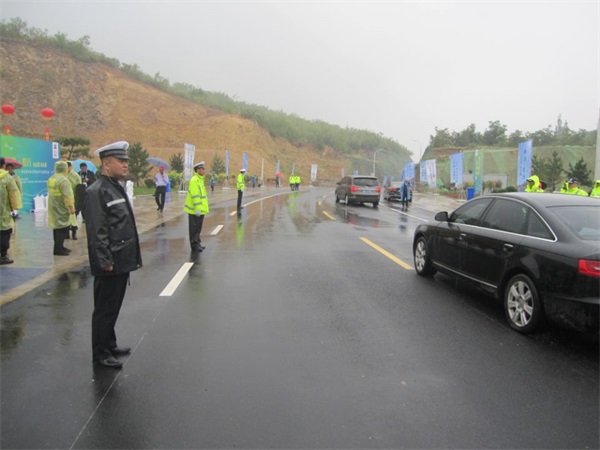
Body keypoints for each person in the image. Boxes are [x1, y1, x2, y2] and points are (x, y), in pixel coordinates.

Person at [84, 141, 142, 369]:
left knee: (113, 306)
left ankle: (109, 344)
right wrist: (104, 260)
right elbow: (96, 231)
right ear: (107, 164)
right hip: (110, 261)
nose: (126, 164)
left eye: (126, 161)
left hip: (121, 258)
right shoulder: (97, 191)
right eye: (121, 161)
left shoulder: (114, 186)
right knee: (105, 309)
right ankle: (100, 353)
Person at [47, 161, 75, 256]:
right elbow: (67, 196)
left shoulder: (52, 178)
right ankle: (58, 249)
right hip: (61, 206)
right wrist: (71, 207)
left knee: (57, 227)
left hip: (53, 205)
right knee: (62, 228)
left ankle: (59, 246)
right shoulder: (63, 180)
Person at [0, 157, 22, 265]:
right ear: (4, 165)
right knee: (5, 233)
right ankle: (3, 256)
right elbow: (13, 194)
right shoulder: (7, 178)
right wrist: (15, 208)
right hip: (4, 213)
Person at [184, 161, 209, 251]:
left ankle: (197, 242)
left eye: (203, 169)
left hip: (200, 209)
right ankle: (194, 245)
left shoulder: (200, 180)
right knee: (194, 228)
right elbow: (195, 196)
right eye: (201, 169)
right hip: (195, 210)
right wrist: (198, 208)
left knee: (198, 227)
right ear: (197, 170)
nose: (203, 170)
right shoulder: (194, 180)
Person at [66, 161, 83, 240]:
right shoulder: (63, 175)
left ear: (71, 167)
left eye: (68, 166)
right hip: (65, 200)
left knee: (74, 217)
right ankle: (66, 233)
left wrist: (78, 201)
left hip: (74, 199)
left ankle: (74, 233)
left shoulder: (75, 175)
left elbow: (80, 189)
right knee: (66, 217)